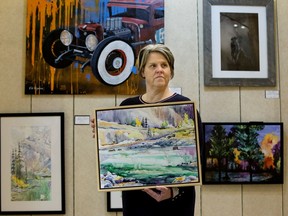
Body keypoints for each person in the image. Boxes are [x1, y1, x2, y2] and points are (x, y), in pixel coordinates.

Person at [91, 44, 203, 216]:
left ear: (171, 71)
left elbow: (199, 159)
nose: (159, 70)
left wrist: (174, 192)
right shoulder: (127, 107)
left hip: (176, 204)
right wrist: (101, 131)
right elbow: (117, 154)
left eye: (164, 65)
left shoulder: (185, 107)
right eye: (153, 66)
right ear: (142, 71)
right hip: (136, 203)